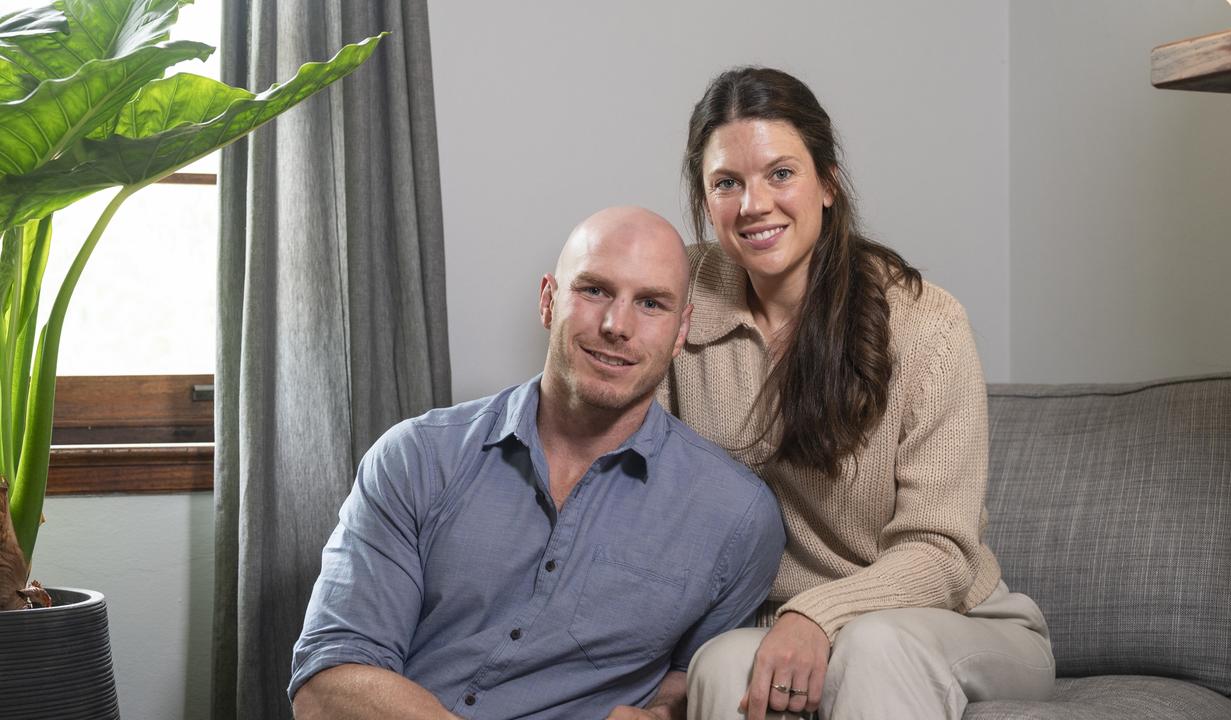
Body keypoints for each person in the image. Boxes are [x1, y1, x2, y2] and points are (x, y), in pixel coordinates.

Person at [661, 68, 1056, 720]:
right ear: (706, 202)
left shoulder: (928, 325)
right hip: (783, 626)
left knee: (875, 646)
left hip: (959, 620)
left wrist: (816, 615)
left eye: (780, 174)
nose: (753, 204)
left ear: (827, 184)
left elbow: (943, 556)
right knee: (723, 662)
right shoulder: (679, 299)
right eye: (727, 183)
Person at [289, 206, 786, 720]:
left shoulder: (737, 517)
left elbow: (696, 684)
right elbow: (327, 682)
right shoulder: (415, 457)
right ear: (548, 300)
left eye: (651, 304)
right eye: (594, 290)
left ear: (681, 331)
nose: (618, 325)